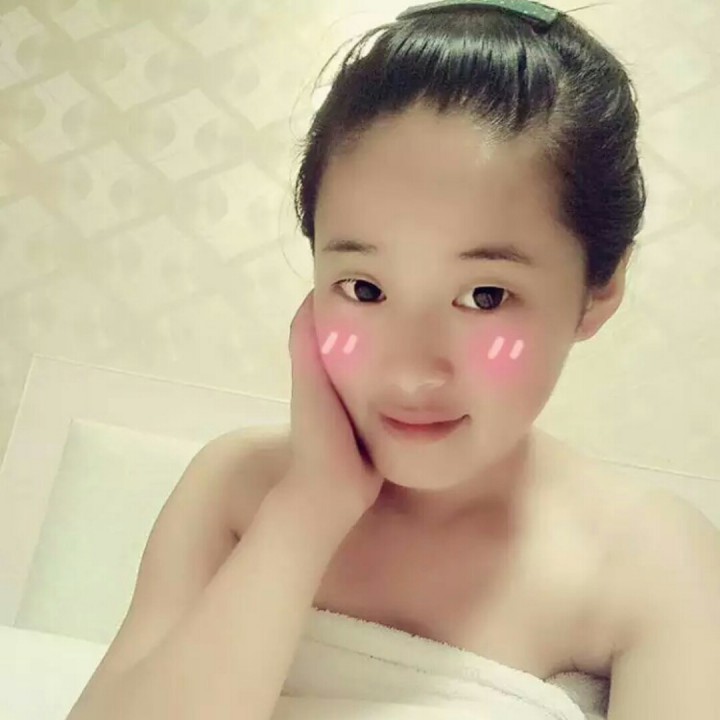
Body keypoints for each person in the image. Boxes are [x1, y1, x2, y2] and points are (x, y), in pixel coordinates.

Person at [67, 2, 720, 720]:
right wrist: (309, 509)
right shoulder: (234, 488)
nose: (409, 372)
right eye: (365, 289)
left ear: (599, 289)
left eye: (485, 296)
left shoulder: (653, 561)